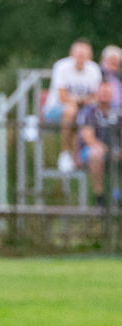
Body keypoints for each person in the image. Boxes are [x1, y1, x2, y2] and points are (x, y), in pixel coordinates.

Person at [43, 39, 102, 173]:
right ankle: (65, 153)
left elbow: (95, 97)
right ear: (71, 54)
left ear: (89, 56)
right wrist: (81, 101)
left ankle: (81, 156)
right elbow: (63, 97)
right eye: (78, 54)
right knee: (71, 111)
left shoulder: (93, 69)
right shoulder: (61, 66)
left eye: (83, 55)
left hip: (82, 113)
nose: (80, 57)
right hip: (55, 110)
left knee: (83, 115)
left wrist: (78, 101)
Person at [76, 81, 119, 205]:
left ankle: (117, 196)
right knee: (96, 154)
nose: (105, 96)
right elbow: (88, 138)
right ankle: (99, 196)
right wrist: (107, 149)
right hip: (91, 150)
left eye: (107, 93)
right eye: (102, 92)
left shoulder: (118, 112)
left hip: (115, 149)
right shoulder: (88, 112)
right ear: (97, 94)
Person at [99, 45, 122, 110]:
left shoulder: (119, 76)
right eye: (112, 60)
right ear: (104, 60)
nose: (115, 63)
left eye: (117, 61)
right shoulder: (97, 73)